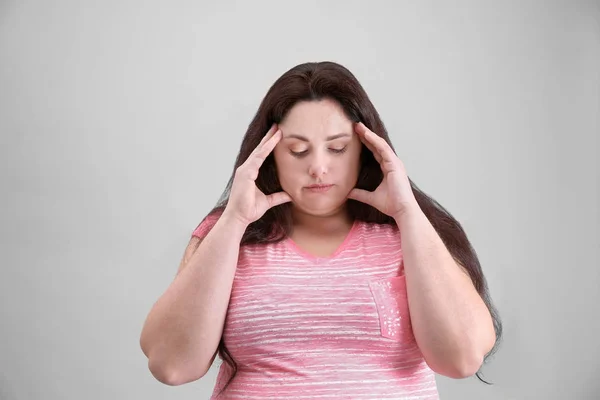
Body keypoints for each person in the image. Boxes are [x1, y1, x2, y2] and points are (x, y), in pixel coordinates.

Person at [139, 61, 502, 399]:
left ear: (366, 149)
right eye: (298, 150)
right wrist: (234, 221)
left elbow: (463, 358)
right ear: (268, 154)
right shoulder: (228, 232)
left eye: (337, 148)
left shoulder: (414, 233)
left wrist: (407, 213)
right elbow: (171, 365)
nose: (318, 168)